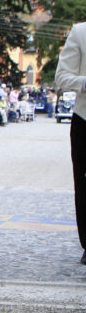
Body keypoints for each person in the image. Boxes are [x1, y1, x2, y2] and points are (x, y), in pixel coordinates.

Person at [56, 22, 86, 264]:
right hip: (85, 120)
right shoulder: (80, 32)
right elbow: (62, 77)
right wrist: (85, 83)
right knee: (83, 185)